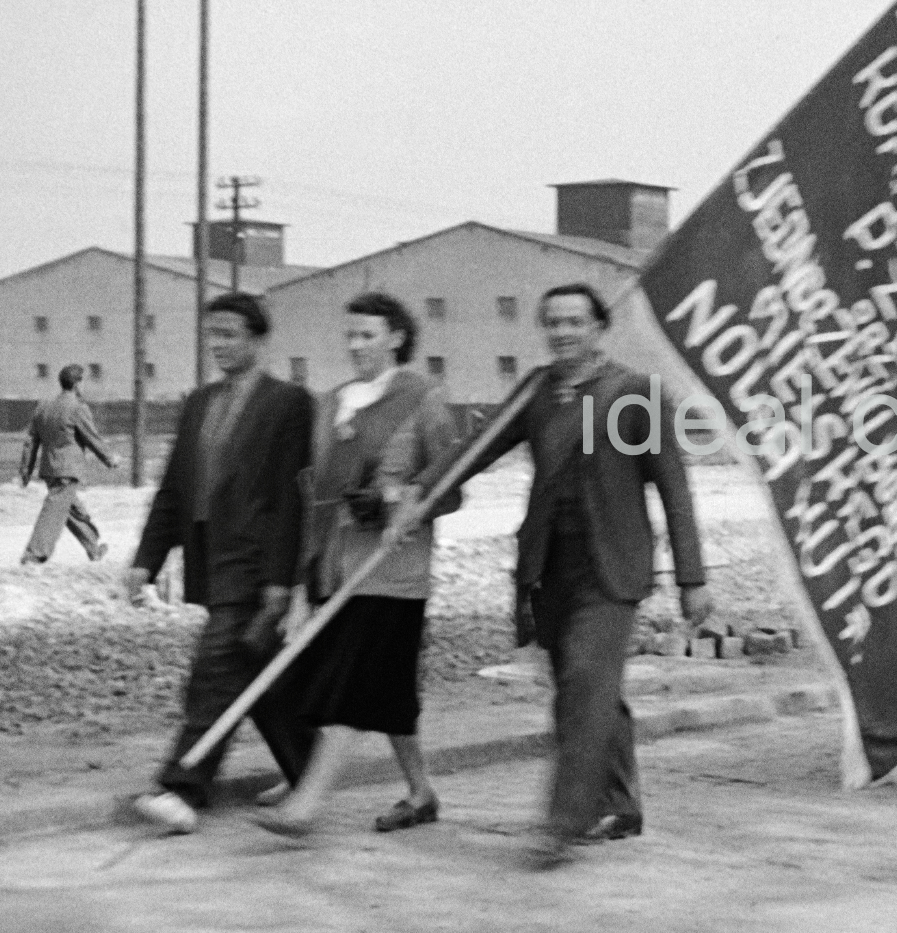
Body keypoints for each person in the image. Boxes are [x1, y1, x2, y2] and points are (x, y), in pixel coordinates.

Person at [415, 282, 709, 870]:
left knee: (583, 680)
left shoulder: (637, 395)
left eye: (575, 321)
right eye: (552, 322)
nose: (563, 332)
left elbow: (674, 489)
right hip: (548, 569)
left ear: (600, 327)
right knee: (589, 689)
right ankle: (621, 804)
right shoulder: (537, 391)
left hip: (612, 567)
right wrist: (421, 496)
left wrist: (692, 577)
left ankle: (564, 821)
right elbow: (479, 448)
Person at [253, 293, 461, 838]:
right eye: (350, 335)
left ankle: (309, 799)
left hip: (392, 574)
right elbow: (315, 496)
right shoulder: (333, 403)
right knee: (385, 693)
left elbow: (450, 486)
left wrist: (394, 499)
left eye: (367, 334)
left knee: (349, 686)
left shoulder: (422, 399)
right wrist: (303, 578)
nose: (356, 345)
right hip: (332, 568)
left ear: (395, 337)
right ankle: (420, 792)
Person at [125, 292, 316, 835]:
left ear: (258, 339)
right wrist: (147, 559)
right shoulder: (200, 403)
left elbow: (289, 498)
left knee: (217, 669)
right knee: (253, 666)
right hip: (215, 559)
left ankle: (183, 787)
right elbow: (174, 490)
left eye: (230, 334)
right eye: (212, 334)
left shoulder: (289, 404)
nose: (218, 345)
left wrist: (281, 580)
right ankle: (310, 770)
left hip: (577, 555)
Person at [18, 363, 115, 565]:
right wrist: (109, 459)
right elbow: (92, 437)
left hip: (49, 469)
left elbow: (31, 441)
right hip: (68, 469)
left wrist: (26, 470)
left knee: (69, 508)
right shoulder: (77, 408)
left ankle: (93, 548)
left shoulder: (43, 407)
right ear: (78, 383)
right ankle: (34, 554)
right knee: (54, 510)